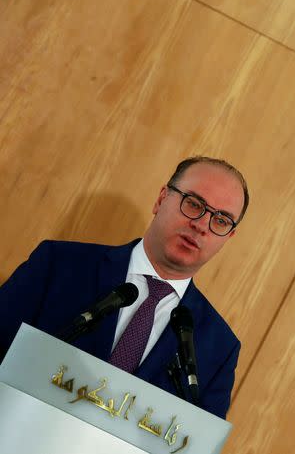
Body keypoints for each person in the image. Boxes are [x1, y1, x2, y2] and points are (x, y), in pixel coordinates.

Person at [0, 156, 248, 419]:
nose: (201, 225)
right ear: (162, 199)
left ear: (229, 236)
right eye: (194, 204)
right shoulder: (59, 265)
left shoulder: (219, 347)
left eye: (221, 220)